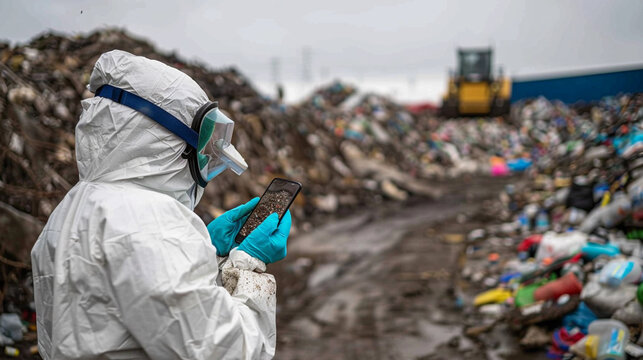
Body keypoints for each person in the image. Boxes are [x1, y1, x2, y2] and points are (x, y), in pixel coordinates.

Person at [31, 50, 290, 359]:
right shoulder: (151, 224)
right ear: (167, 139)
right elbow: (225, 351)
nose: (204, 159)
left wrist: (207, 253)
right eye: (203, 145)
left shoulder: (74, 206)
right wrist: (247, 266)